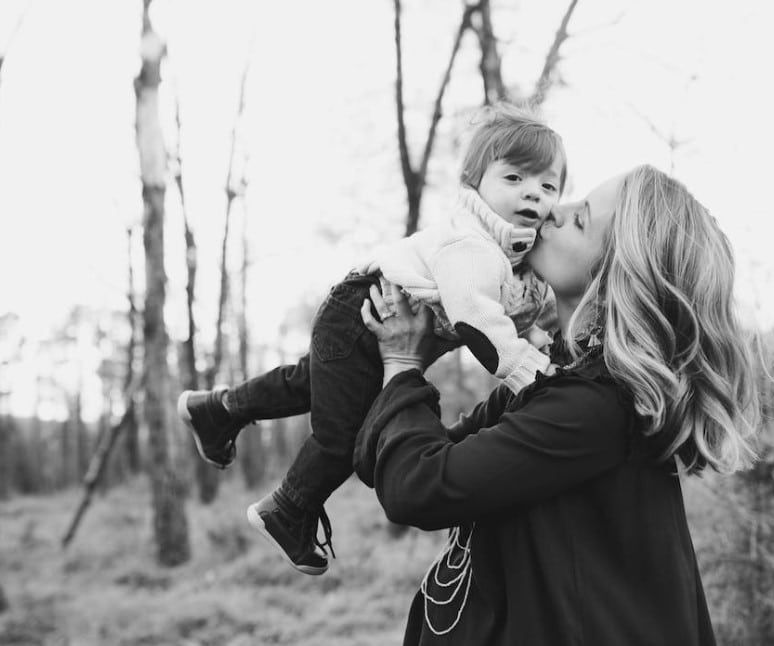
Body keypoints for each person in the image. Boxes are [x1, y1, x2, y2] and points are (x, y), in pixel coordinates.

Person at [353, 164, 762, 645]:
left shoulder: (598, 405)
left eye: (581, 219)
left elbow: (418, 487)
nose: (553, 209)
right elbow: (391, 463)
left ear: (619, 274)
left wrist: (402, 363)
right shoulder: (554, 378)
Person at [176, 103, 566, 575]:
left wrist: (547, 336)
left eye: (548, 185)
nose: (534, 194)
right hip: (362, 311)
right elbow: (479, 322)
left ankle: (215, 409)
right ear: (474, 182)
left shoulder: (513, 256)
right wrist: (531, 372)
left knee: (307, 381)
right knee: (344, 432)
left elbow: (529, 310)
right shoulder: (471, 246)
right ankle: (287, 509)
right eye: (515, 179)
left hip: (358, 315)